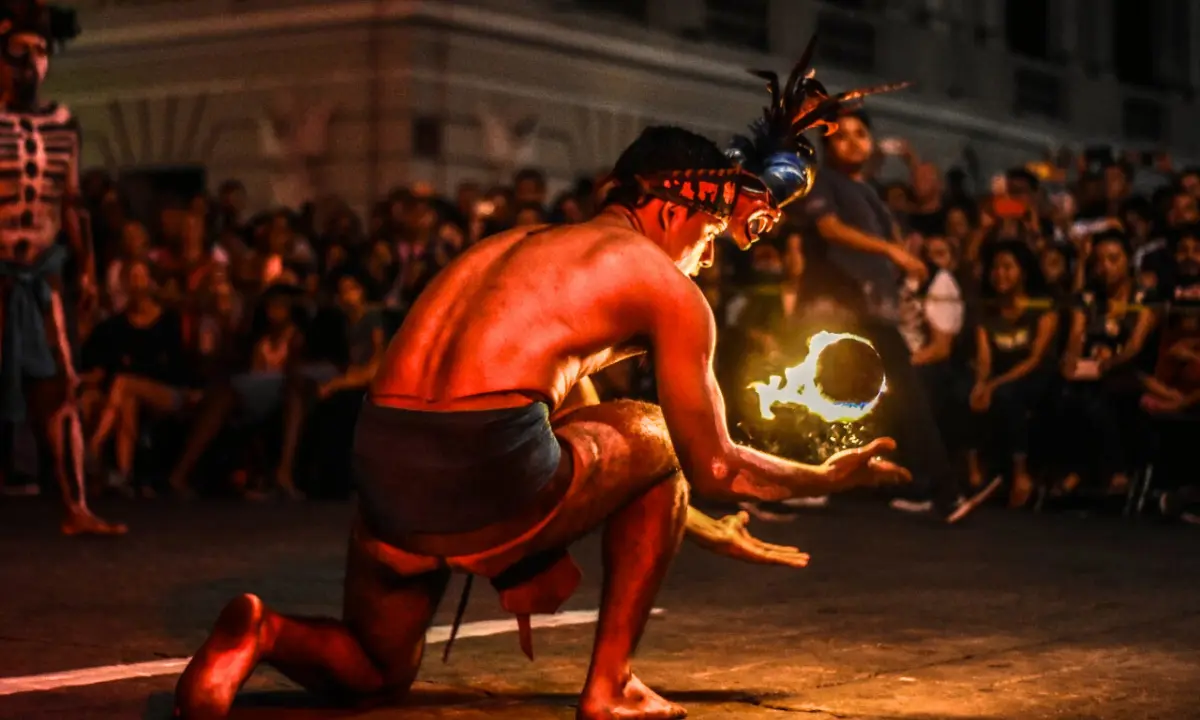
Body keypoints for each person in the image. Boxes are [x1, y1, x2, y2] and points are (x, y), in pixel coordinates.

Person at [174, 48, 912, 720]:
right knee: (657, 432)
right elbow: (709, 464)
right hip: (478, 462)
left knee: (375, 670)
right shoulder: (661, 284)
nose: (709, 257)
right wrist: (829, 475)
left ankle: (258, 631)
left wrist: (696, 521)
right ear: (669, 208)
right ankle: (611, 683)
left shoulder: (515, 249)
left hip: (380, 461)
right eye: (711, 234)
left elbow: (585, 436)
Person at [793, 108, 987, 522]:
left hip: (874, 313)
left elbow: (892, 241)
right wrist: (892, 251)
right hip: (834, 309)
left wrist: (905, 258)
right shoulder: (822, 181)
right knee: (815, 396)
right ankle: (794, 483)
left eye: (860, 134)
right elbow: (830, 230)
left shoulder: (871, 193)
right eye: (841, 135)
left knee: (903, 396)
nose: (852, 141)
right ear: (827, 145)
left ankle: (942, 491)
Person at [0, 2, 124, 535]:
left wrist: (89, 269)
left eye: (42, 51)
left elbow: (71, 200)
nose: (32, 62)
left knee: (61, 389)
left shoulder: (63, 124)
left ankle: (75, 507)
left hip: (42, 277)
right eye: (20, 51)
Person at [968, 241, 1058, 508]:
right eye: (995, 267)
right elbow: (984, 358)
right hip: (999, 375)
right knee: (966, 392)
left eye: (1008, 267)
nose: (1000, 274)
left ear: (1023, 271)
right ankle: (973, 471)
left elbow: (1034, 359)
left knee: (1009, 396)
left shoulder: (1042, 308)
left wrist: (994, 384)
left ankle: (1021, 474)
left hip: (1036, 377)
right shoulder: (987, 311)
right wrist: (981, 384)